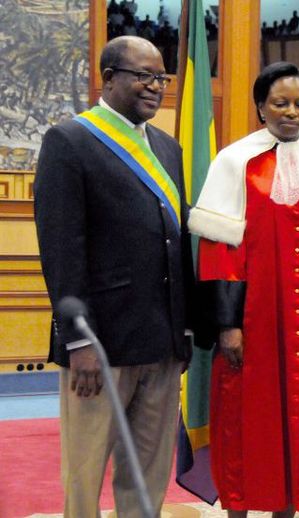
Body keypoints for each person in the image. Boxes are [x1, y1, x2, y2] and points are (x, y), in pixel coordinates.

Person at [188, 62, 299, 517]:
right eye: (280, 103)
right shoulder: (235, 161)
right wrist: (228, 325)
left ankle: (289, 509)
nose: (291, 112)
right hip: (255, 320)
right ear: (260, 107)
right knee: (249, 423)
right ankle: (241, 510)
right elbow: (220, 253)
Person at [34, 36, 192, 517]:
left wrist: (183, 331)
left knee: (147, 473)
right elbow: (61, 250)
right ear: (109, 78)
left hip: (160, 342)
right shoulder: (69, 141)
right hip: (99, 347)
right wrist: (78, 341)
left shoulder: (167, 148)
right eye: (143, 75)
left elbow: (177, 243)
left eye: (161, 77)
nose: (155, 87)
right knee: (84, 474)